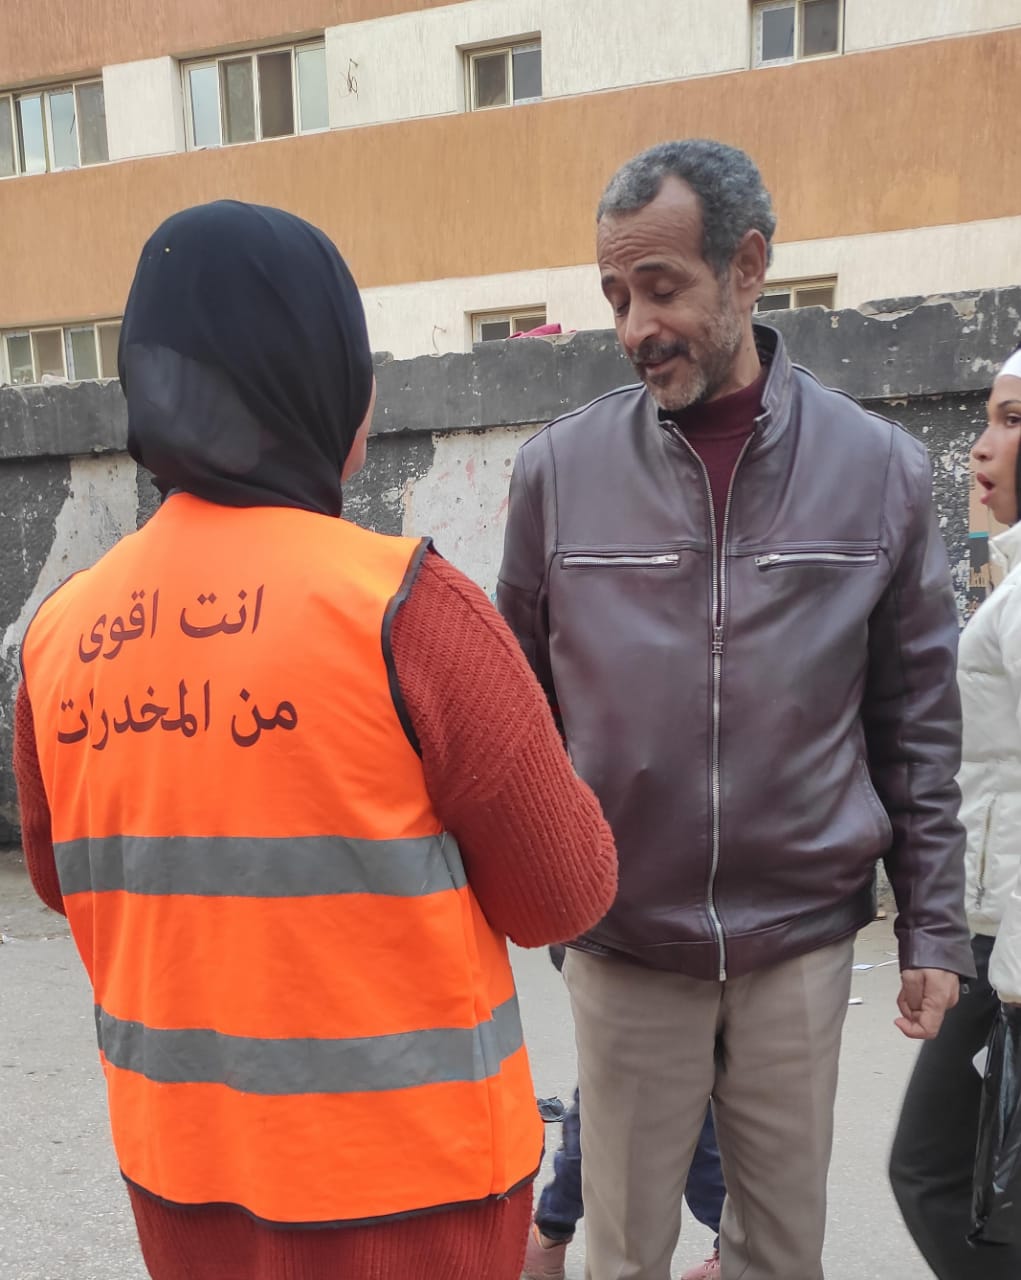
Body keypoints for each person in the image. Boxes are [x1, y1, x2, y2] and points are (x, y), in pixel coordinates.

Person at [13, 200, 618, 1280]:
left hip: (179, 1183)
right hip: (413, 1200)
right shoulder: (405, 608)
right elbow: (563, 895)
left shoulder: (59, 635)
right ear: (323, 382)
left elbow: (67, 883)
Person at [497, 139, 974, 1280]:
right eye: (616, 295)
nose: (634, 326)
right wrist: (550, 902)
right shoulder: (556, 473)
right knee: (624, 1250)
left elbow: (914, 721)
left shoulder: (880, 471)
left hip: (800, 939)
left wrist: (932, 925)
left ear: (747, 267)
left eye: (660, 288)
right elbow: (516, 716)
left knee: (779, 1251)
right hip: (624, 941)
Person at [889, 344, 1021, 1276]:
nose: (979, 447)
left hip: (1005, 947)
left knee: (930, 1172)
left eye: (1011, 422)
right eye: (986, 419)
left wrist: (1009, 979)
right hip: (993, 926)